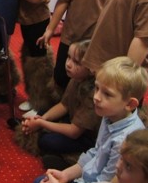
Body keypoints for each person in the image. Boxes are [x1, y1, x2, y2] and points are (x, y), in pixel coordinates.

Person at [35, 56, 148, 183]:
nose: (96, 97)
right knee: (40, 182)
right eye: (96, 88)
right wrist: (66, 174)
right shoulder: (110, 116)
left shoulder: (124, 140)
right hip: (91, 179)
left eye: (107, 94)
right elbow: (95, 152)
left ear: (129, 104)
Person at [17, 40, 100, 169]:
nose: (68, 64)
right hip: (73, 120)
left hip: (87, 136)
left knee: (46, 141)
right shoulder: (75, 79)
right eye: (68, 57)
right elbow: (64, 105)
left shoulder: (93, 95)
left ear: (91, 69)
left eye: (76, 62)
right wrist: (41, 119)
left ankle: (67, 161)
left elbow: (74, 132)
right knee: (42, 111)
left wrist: (41, 124)